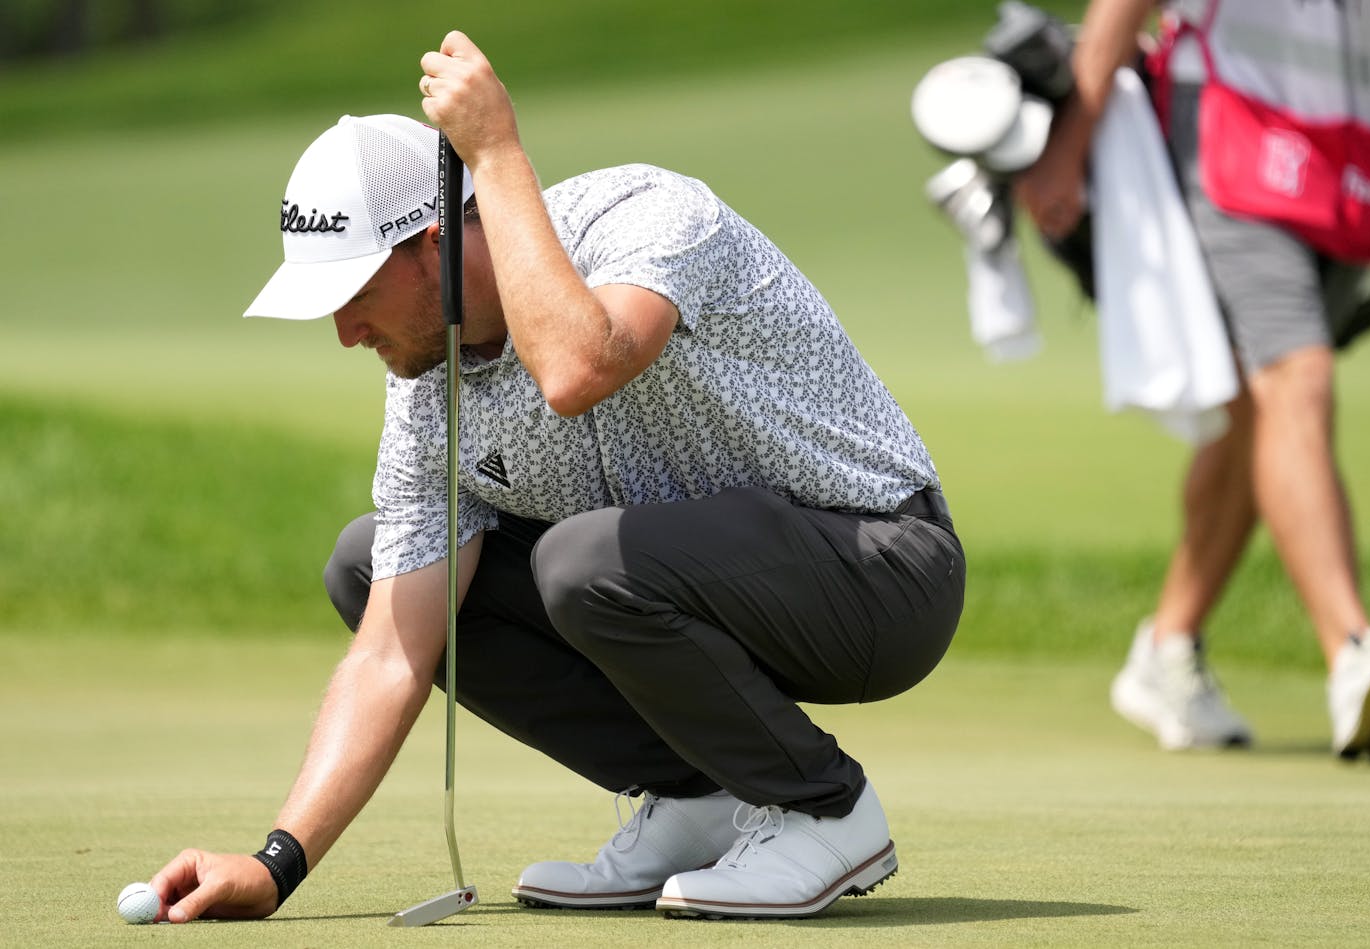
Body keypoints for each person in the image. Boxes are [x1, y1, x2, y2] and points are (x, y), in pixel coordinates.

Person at [147, 29, 965, 924]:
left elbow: (578, 367)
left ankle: (828, 810)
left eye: (351, 297)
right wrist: (277, 863)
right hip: (699, 586)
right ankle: (701, 798)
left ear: (430, 244)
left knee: (581, 560)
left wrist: (494, 150)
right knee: (368, 561)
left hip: (882, 569)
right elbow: (393, 650)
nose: (344, 334)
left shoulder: (643, 217)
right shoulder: (432, 389)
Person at [1015, 0, 1370, 757]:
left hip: (1358, 164)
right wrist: (1073, 137)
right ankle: (1351, 648)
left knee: (1256, 412)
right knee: (1295, 379)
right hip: (1238, 143)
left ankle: (1167, 650)